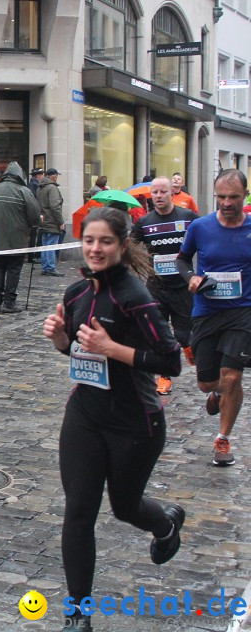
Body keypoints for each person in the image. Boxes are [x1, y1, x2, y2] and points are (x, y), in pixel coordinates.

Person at [42, 206, 184, 630]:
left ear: (122, 246)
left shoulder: (135, 298)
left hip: (135, 422)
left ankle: (165, 523)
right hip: (85, 415)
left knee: (124, 508)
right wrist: (62, 338)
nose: (95, 249)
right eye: (89, 240)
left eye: (105, 241)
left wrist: (113, 349)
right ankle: (78, 614)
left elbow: (171, 362)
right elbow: (77, 353)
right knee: (79, 511)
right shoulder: (75, 294)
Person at [175, 169, 251, 467]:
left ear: (245, 195)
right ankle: (217, 392)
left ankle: (223, 440)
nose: (227, 202)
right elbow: (182, 260)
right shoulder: (201, 227)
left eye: (233, 197)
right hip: (206, 310)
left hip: (243, 312)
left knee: (233, 375)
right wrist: (190, 277)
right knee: (208, 383)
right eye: (221, 197)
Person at [131, 177, 198, 396]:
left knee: (182, 335)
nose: (158, 196)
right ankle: (164, 377)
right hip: (156, 287)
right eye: (155, 192)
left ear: (172, 193)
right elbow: (130, 247)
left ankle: (189, 348)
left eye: (163, 192)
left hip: (182, 287)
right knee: (158, 335)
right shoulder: (145, 222)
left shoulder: (187, 217)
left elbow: (205, 237)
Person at [0, 161, 41, 314]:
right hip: (18, 239)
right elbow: (34, 216)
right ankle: (8, 302)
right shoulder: (24, 191)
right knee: (14, 269)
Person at [38, 168, 65, 277]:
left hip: (44, 220)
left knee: (45, 244)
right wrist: (60, 222)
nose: (57, 177)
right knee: (51, 245)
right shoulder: (52, 188)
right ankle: (50, 267)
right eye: (56, 175)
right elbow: (55, 207)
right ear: (53, 176)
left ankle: (45, 266)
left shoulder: (40, 188)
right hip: (52, 220)